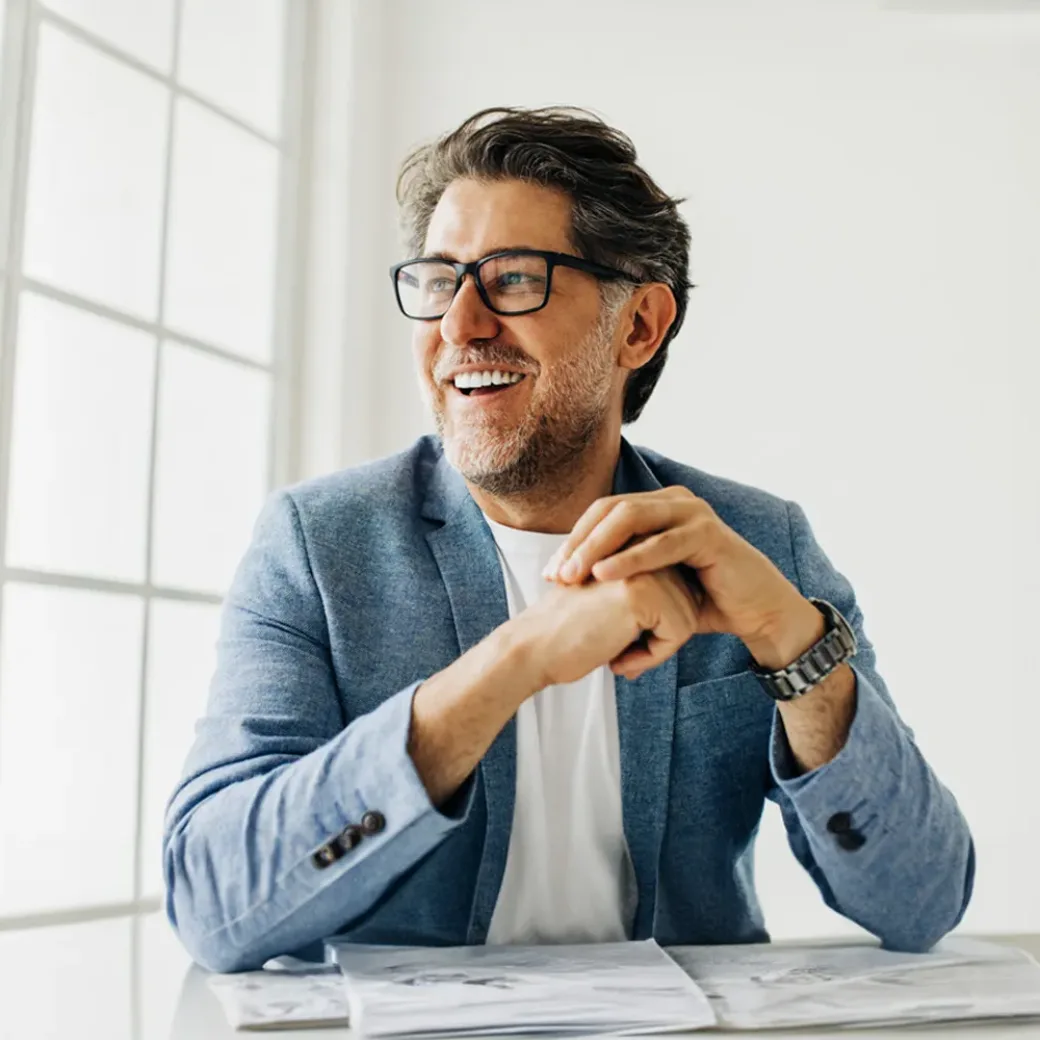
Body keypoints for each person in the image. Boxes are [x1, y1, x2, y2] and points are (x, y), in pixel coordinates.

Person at [163, 107, 973, 973]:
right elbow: (214, 907)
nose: (459, 325)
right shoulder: (316, 546)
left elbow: (919, 900)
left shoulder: (759, 543)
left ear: (640, 326)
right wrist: (516, 660)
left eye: (513, 279)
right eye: (440, 280)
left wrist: (794, 644)